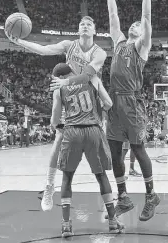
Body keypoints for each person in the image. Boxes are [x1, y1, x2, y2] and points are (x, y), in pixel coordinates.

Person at [5, 16, 107, 211]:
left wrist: (65, 82)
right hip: (70, 99)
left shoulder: (99, 53)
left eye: (89, 24)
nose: (85, 26)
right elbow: (45, 50)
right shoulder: (69, 45)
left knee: (98, 151)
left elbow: (87, 76)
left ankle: (109, 196)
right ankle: (49, 186)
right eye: (81, 24)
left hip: (90, 99)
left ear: (94, 30)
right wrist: (20, 42)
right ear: (78, 30)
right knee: (59, 139)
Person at [106, 0, 160, 221]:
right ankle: (123, 197)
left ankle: (151, 196)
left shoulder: (141, 47)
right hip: (114, 102)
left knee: (138, 150)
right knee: (115, 151)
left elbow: (146, 16)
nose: (133, 25)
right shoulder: (118, 42)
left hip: (131, 102)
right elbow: (113, 16)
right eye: (132, 25)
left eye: (136, 26)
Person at [50, 63, 124, 237]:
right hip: (93, 130)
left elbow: (54, 118)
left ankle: (66, 225)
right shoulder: (93, 79)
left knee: (67, 177)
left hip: (72, 131)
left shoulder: (59, 89)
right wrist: (98, 109)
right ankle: (113, 221)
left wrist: (59, 126)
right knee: (101, 176)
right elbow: (108, 103)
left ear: (60, 77)